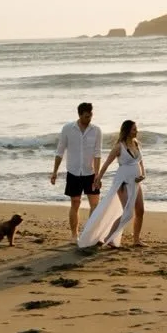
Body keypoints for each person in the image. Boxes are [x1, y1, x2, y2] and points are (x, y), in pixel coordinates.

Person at [78, 119, 145, 249]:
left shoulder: (136, 144)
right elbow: (107, 163)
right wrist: (98, 179)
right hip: (123, 182)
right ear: (127, 131)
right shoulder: (119, 146)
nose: (136, 131)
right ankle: (108, 238)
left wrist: (143, 175)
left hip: (136, 182)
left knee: (140, 210)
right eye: (134, 129)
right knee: (127, 212)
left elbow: (140, 162)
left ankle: (136, 239)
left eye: (136, 129)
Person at [50, 101, 102, 241]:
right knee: (75, 202)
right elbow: (60, 151)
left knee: (95, 205)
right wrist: (55, 172)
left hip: (90, 172)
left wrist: (97, 175)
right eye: (86, 116)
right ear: (79, 115)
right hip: (73, 172)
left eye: (90, 115)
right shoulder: (68, 128)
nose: (89, 118)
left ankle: (90, 233)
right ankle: (74, 235)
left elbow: (97, 154)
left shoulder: (96, 130)